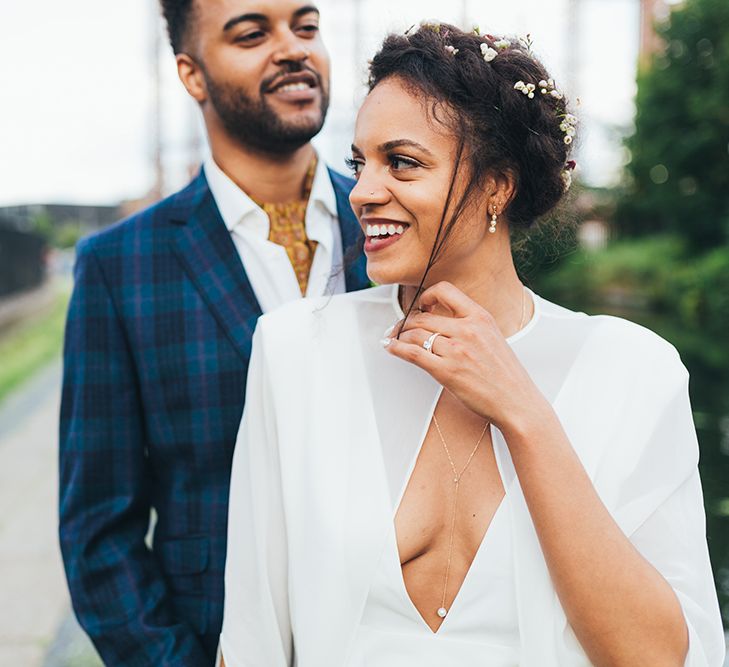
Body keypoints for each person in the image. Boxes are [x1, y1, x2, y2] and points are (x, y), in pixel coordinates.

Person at [219, 22, 726, 667]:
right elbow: (251, 639)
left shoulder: (634, 371)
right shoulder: (295, 351)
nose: (365, 192)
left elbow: (657, 657)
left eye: (401, 161)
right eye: (359, 163)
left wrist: (526, 414)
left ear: (498, 185)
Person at [58, 0, 369, 664]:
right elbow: (98, 531)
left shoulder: (396, 224)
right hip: (214, 640)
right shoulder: (119, 267)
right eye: (252, 33)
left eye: (306, 26)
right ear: (191, 73)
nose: (292, 48)